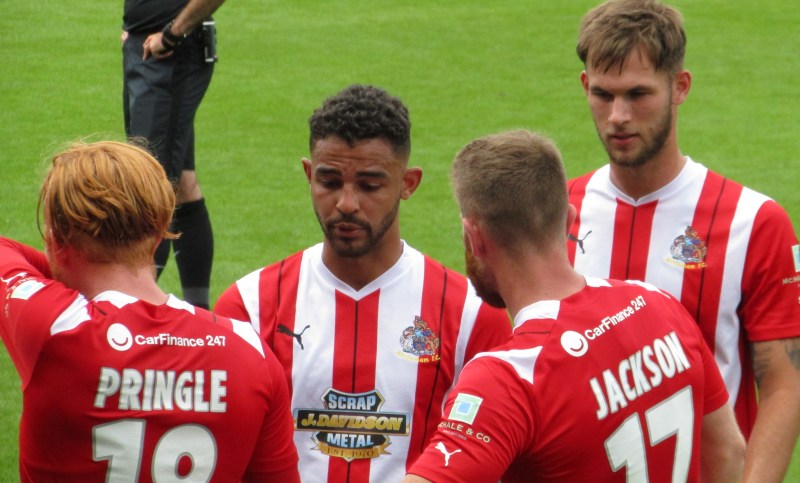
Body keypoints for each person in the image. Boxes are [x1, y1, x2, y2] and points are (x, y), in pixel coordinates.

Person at [404, 129, 745, 482]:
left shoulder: (511, 378)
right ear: (568, 220)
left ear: (474, 237)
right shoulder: (658, 304)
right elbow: (728, 451)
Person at [214, 84, 513, 482]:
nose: (347, 203)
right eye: (330, 182)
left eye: (370, 185)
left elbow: (492, 459)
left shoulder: (472, 316)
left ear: (409, 183)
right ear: (308, 174)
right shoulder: (248, 308)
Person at [565, 0, 800, 480]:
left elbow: (784, 380)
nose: (618, 116)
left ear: (680, 87)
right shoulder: (556, 213)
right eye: (604, 95)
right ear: (585, 86)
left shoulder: (754, 222)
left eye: (638, 94)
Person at [0, 141, 299, 482]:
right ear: (160, 233)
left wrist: (57, 273)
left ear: (56, 241)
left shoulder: (52, 326)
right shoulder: (251, 351)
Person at [123, 0, 226, 309]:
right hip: (148, 49)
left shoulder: (171, 41)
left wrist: (172, 33)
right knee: (181, 184)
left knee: (147, 191)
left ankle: (133, 320)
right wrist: (133, 27)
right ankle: (199, 314)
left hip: (171, 54)